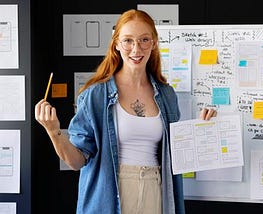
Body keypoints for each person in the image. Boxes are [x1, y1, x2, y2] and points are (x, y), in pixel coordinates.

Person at [35, 9, 217, 214]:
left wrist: (199, 130)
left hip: (154, 189)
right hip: (110, 195)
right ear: (116, 44)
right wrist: (54, 132)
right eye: (128, 40)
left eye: (144, 40)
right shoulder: (96, 96)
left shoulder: (166, 95)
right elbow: (77, 162)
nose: (136, 49)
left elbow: (174, 153)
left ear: (154, 43)